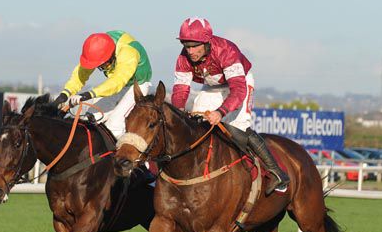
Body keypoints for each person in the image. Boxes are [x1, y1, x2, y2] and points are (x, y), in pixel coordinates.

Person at [171, 17, 290, 195]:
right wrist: (178, 113)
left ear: (207, 42)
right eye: (187, 46)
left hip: (240, 84)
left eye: (195, 46)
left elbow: (238, 91)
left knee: (238, 127)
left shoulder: (226, 50)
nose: (190, 51)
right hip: (212, 87)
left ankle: (276, 172)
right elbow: (180, 91)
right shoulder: (183, 58)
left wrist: (221, 112)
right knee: (195, 123)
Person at [53, 30, 152, 139]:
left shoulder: (128, 52)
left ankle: (125, 154)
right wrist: (65, 94)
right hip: (117, 86)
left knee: (113, 127)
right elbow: (80, 74)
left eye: (102, 65)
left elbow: (117, 81)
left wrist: (88, 94)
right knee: (90, 118)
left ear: (111, 56)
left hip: (137, 87)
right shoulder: (98, 47)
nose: (101, 68)